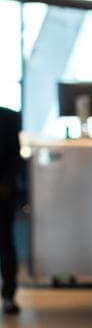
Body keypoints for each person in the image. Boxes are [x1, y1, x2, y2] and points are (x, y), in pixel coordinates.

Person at [0, 105, 20, 315]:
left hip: (2, 192)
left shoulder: (8, 117)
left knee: (5, 243)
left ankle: (8, 295)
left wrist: (7, 183)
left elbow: (15, 155)